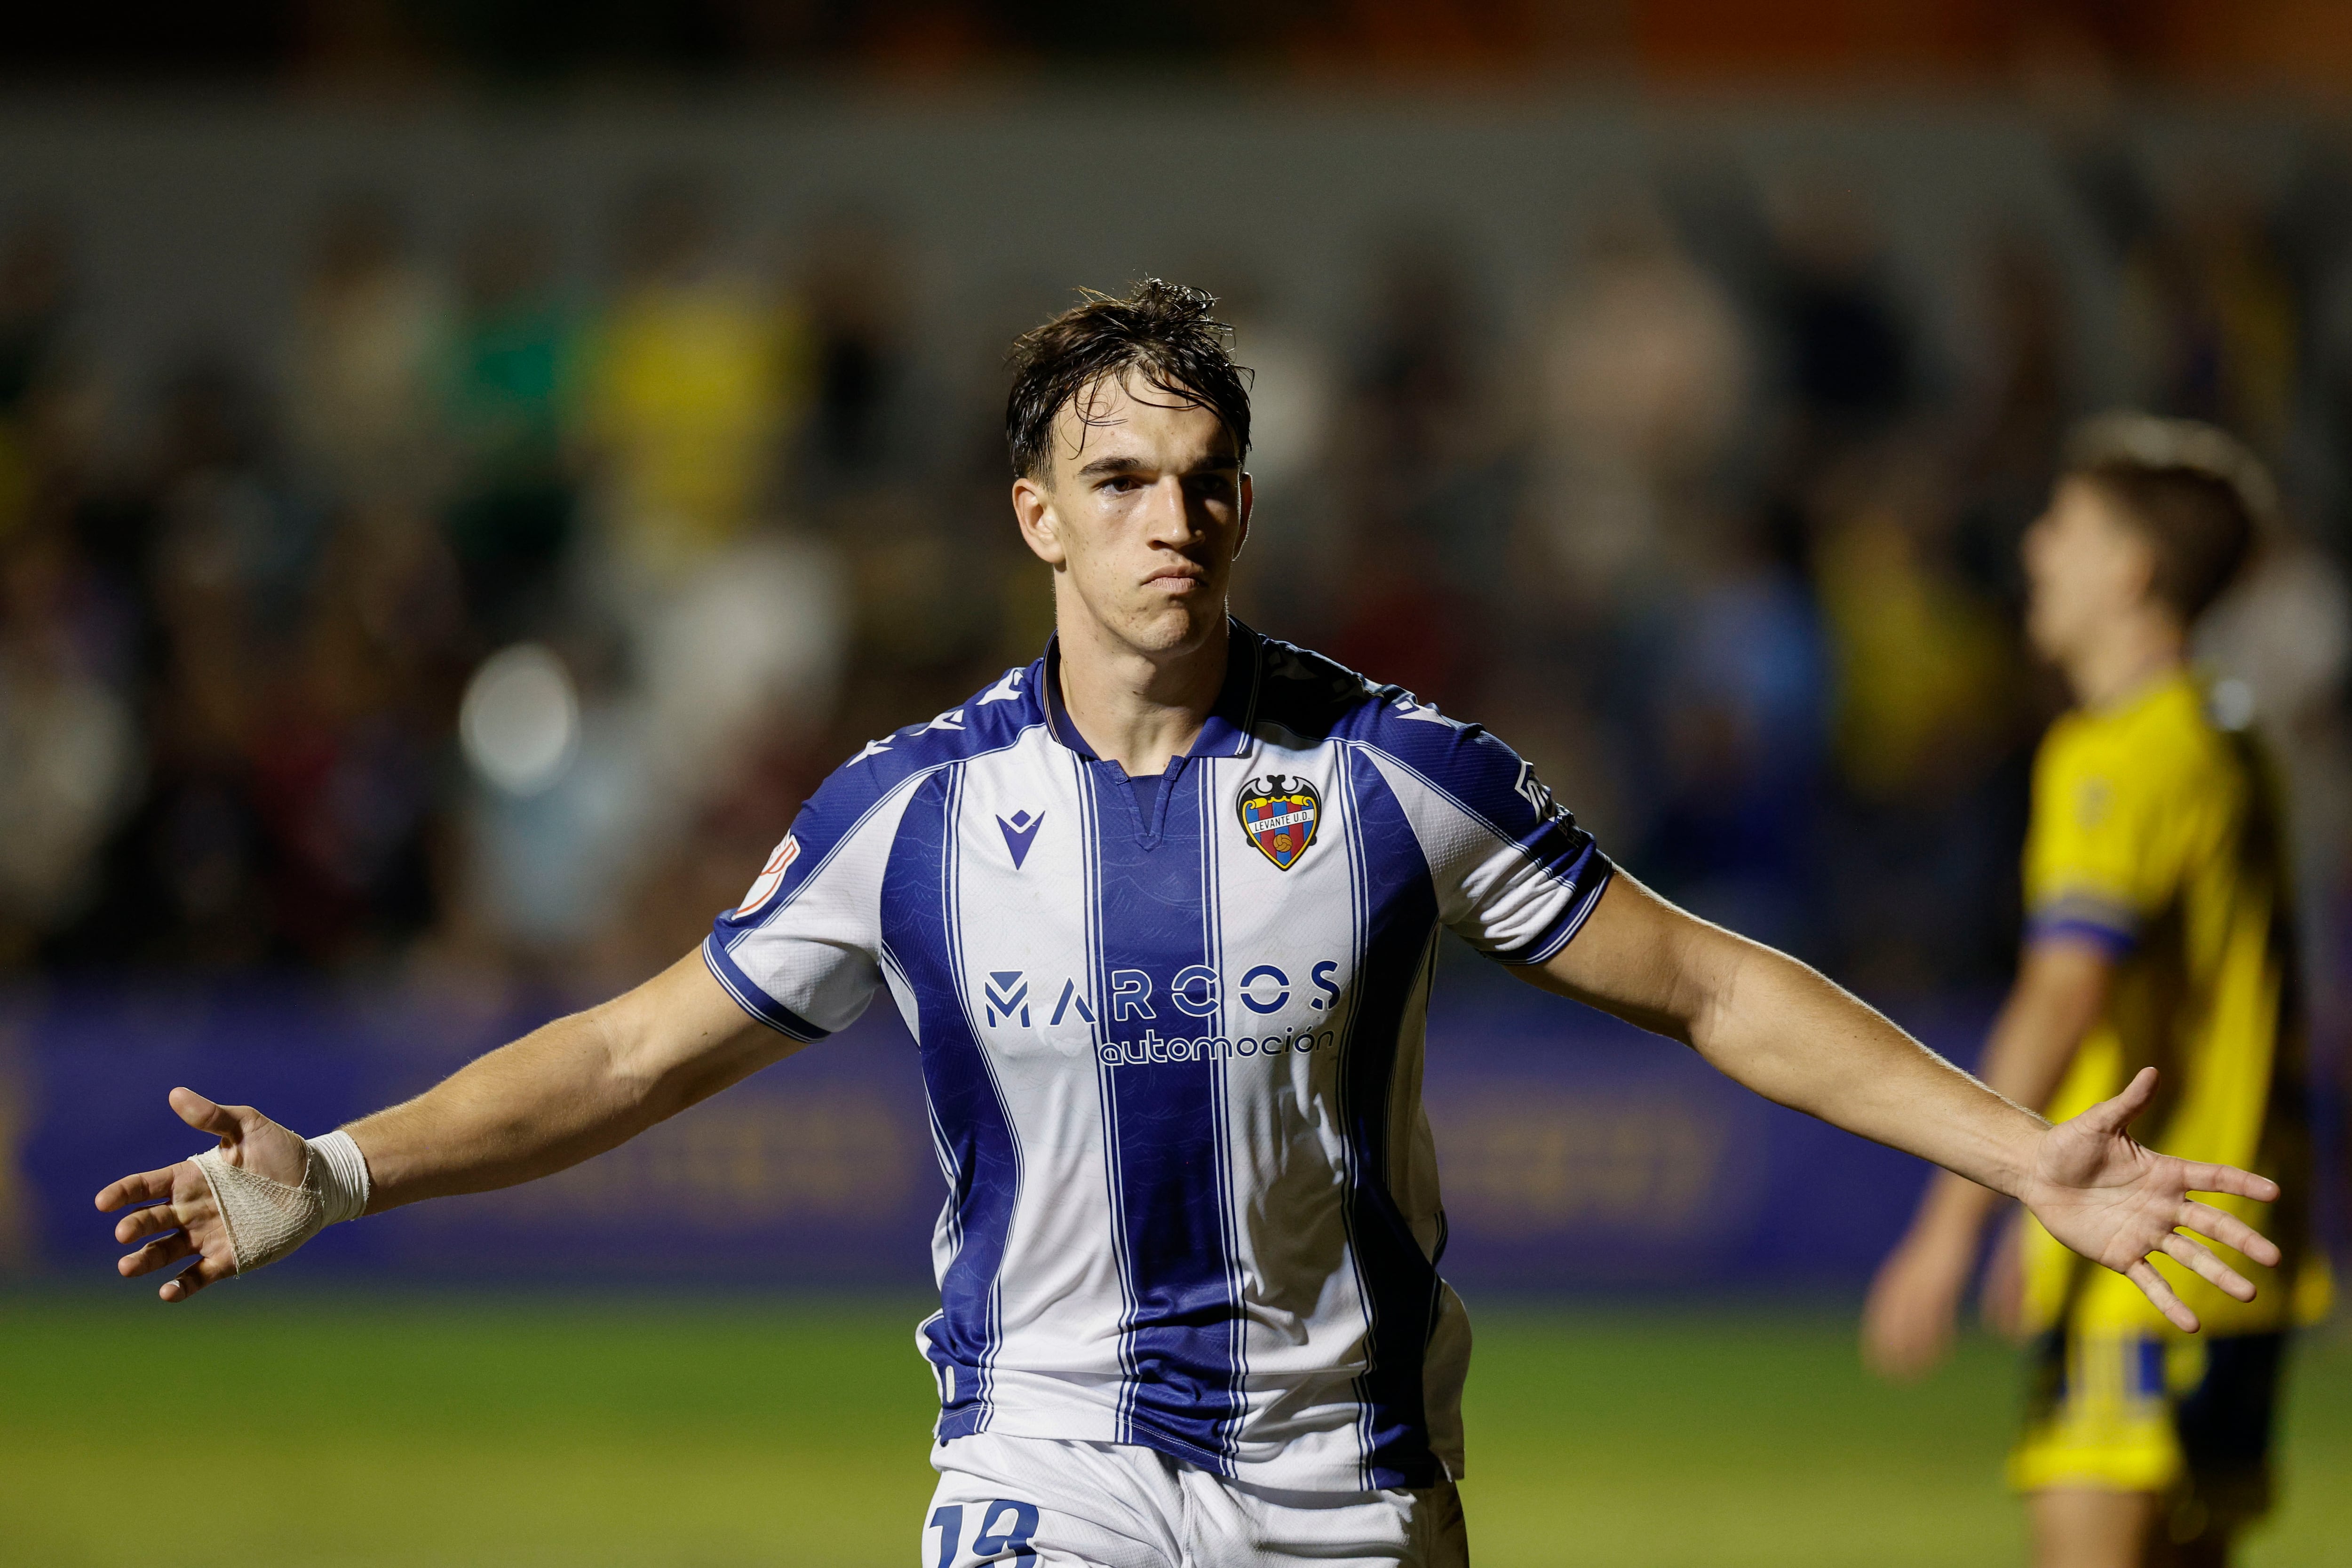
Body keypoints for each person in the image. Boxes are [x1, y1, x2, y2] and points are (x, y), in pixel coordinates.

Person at [102, 287, 2283, 1568]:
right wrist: (349, 1166)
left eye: (1211, 475)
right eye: (1127, 482)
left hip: (1355, 1493)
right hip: (1046, 1470)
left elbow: (1705, 980)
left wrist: (2021, 1160)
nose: (1181, 517)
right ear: (1036, 516)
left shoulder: (1396, 773)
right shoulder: (918, 814)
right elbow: (627, 1051)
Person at [1862, 414, 2325, 1568]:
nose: (2032, 550)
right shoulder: (2227, 731)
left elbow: (2063, 993)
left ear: (2129, 569)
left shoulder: (2116, 754)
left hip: (2151, 1258)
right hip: (2240, 1246)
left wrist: (1950, 1219)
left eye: (2061, 527)